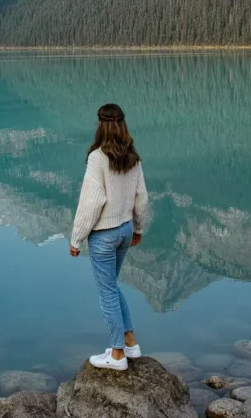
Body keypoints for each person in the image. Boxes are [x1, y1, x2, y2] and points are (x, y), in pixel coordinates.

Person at [70, 103, 149, 371]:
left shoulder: (97, 158)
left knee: (106, 292)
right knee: (113, 286)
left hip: (104, 235)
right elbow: (142, 198)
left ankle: (117, 355)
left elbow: (91, 201)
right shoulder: (133, 157)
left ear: (100, 125)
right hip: (125, 230)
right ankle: (131, 343)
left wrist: (76, 237)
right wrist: (137, 229)